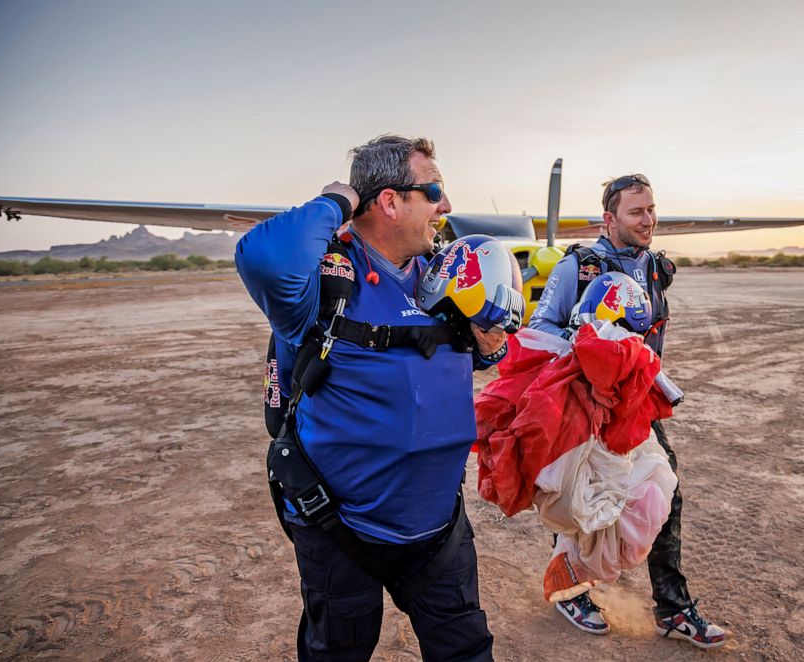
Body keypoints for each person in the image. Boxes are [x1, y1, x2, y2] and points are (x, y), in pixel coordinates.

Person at [236, 135, 505, 661]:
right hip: (342, 530)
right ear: (389, 201)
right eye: (434, 192)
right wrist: (337, 198)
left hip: (438, 529)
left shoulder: (443, 274)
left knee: (467, 652)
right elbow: (262, 256)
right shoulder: (323, 281)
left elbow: (462, 357)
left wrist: (489, 347)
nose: (446, 207)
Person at [529, 174, 727, 649]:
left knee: (665, 492)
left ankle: (673, 609)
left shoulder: (656, 267)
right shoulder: (578, 267)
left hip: (637, 405)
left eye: (651, 209)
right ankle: (573, 589)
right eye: (636, 212)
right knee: (579, 501)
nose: (648, 219)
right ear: (609, 218)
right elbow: (539, 329)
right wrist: (591, 352)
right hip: (586, 407)